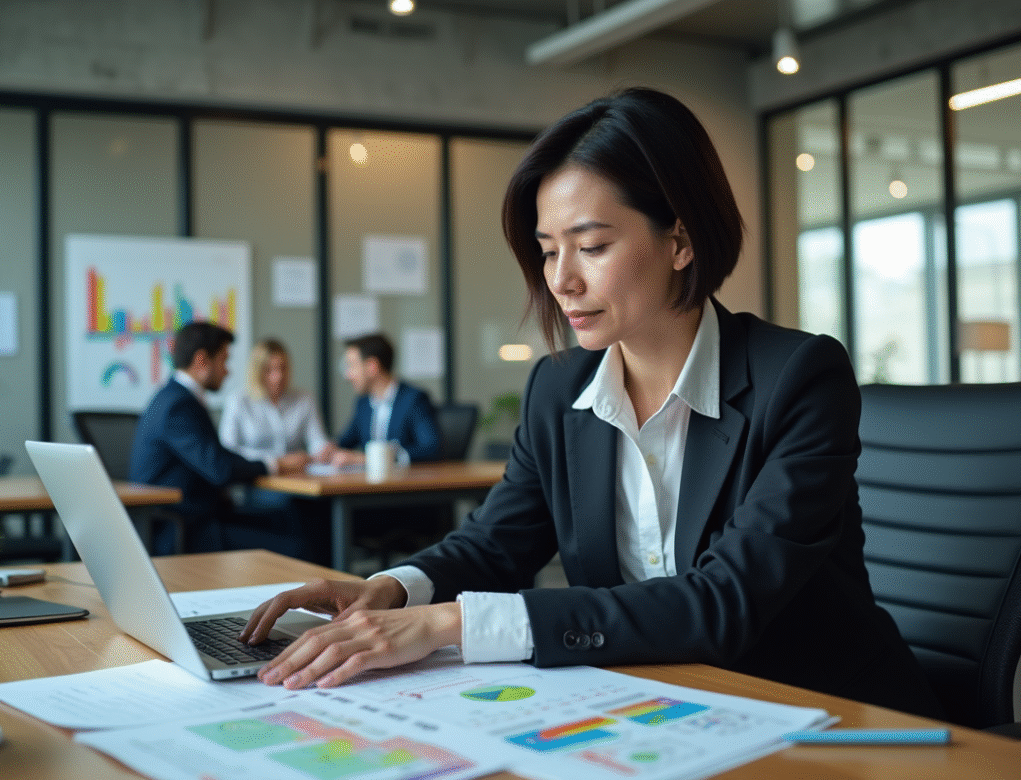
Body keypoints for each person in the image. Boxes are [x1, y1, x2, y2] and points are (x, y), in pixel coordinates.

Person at [238, 87, 943, 719]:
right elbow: (495, 544)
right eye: (547, 251)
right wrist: (391, 591)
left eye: (592, 245)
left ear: (681, 240)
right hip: (660, 711)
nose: (561, 281)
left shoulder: (799, 377)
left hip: (825, 719)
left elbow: (724, 603)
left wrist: (451, 625)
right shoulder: (560, 389)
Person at [130, 322, 313, 557]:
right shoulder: (178, 405)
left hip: (195, 518)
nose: (227, 370)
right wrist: (276, 464)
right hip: (183, 529)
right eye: (224, 360)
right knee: (298, 548)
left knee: (291, 520)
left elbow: (216, 458)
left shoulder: (175, 397)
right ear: (202, 360)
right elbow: (220, 468)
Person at [220, 337, 330, 510]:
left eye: (283, 369)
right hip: (256, 484)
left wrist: (323, 451)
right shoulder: (239, 401)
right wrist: (277, 462)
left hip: (298, 481)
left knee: (321, 504)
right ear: (257, 371)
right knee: (289, 504)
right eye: (269, 370)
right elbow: (228, 450)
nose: (278, 376)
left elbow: (317, 441)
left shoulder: (304, 399)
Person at [317, 333, 440, 467]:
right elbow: (347, 440)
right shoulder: (363, 403)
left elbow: (432, 449)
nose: (348, 375)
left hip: (403, 484)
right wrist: (330, 449)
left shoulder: (414, 399)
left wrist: (367, 459)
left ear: (372, 366)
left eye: (352, 366)